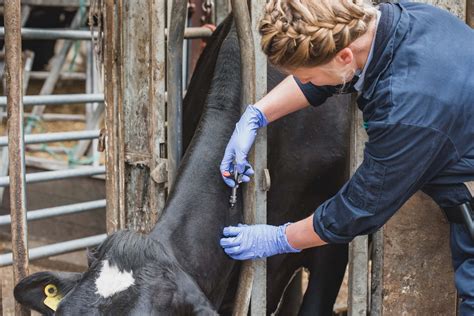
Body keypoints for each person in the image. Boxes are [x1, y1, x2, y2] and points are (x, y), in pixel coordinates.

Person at [218, 0, 474, 313]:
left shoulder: (406, 108)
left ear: (344, 56)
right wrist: (257, 115)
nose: (309, 83)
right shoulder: (400, 19)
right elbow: (338, 74)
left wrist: (280, 238)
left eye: (310, 78)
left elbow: (361, 206)